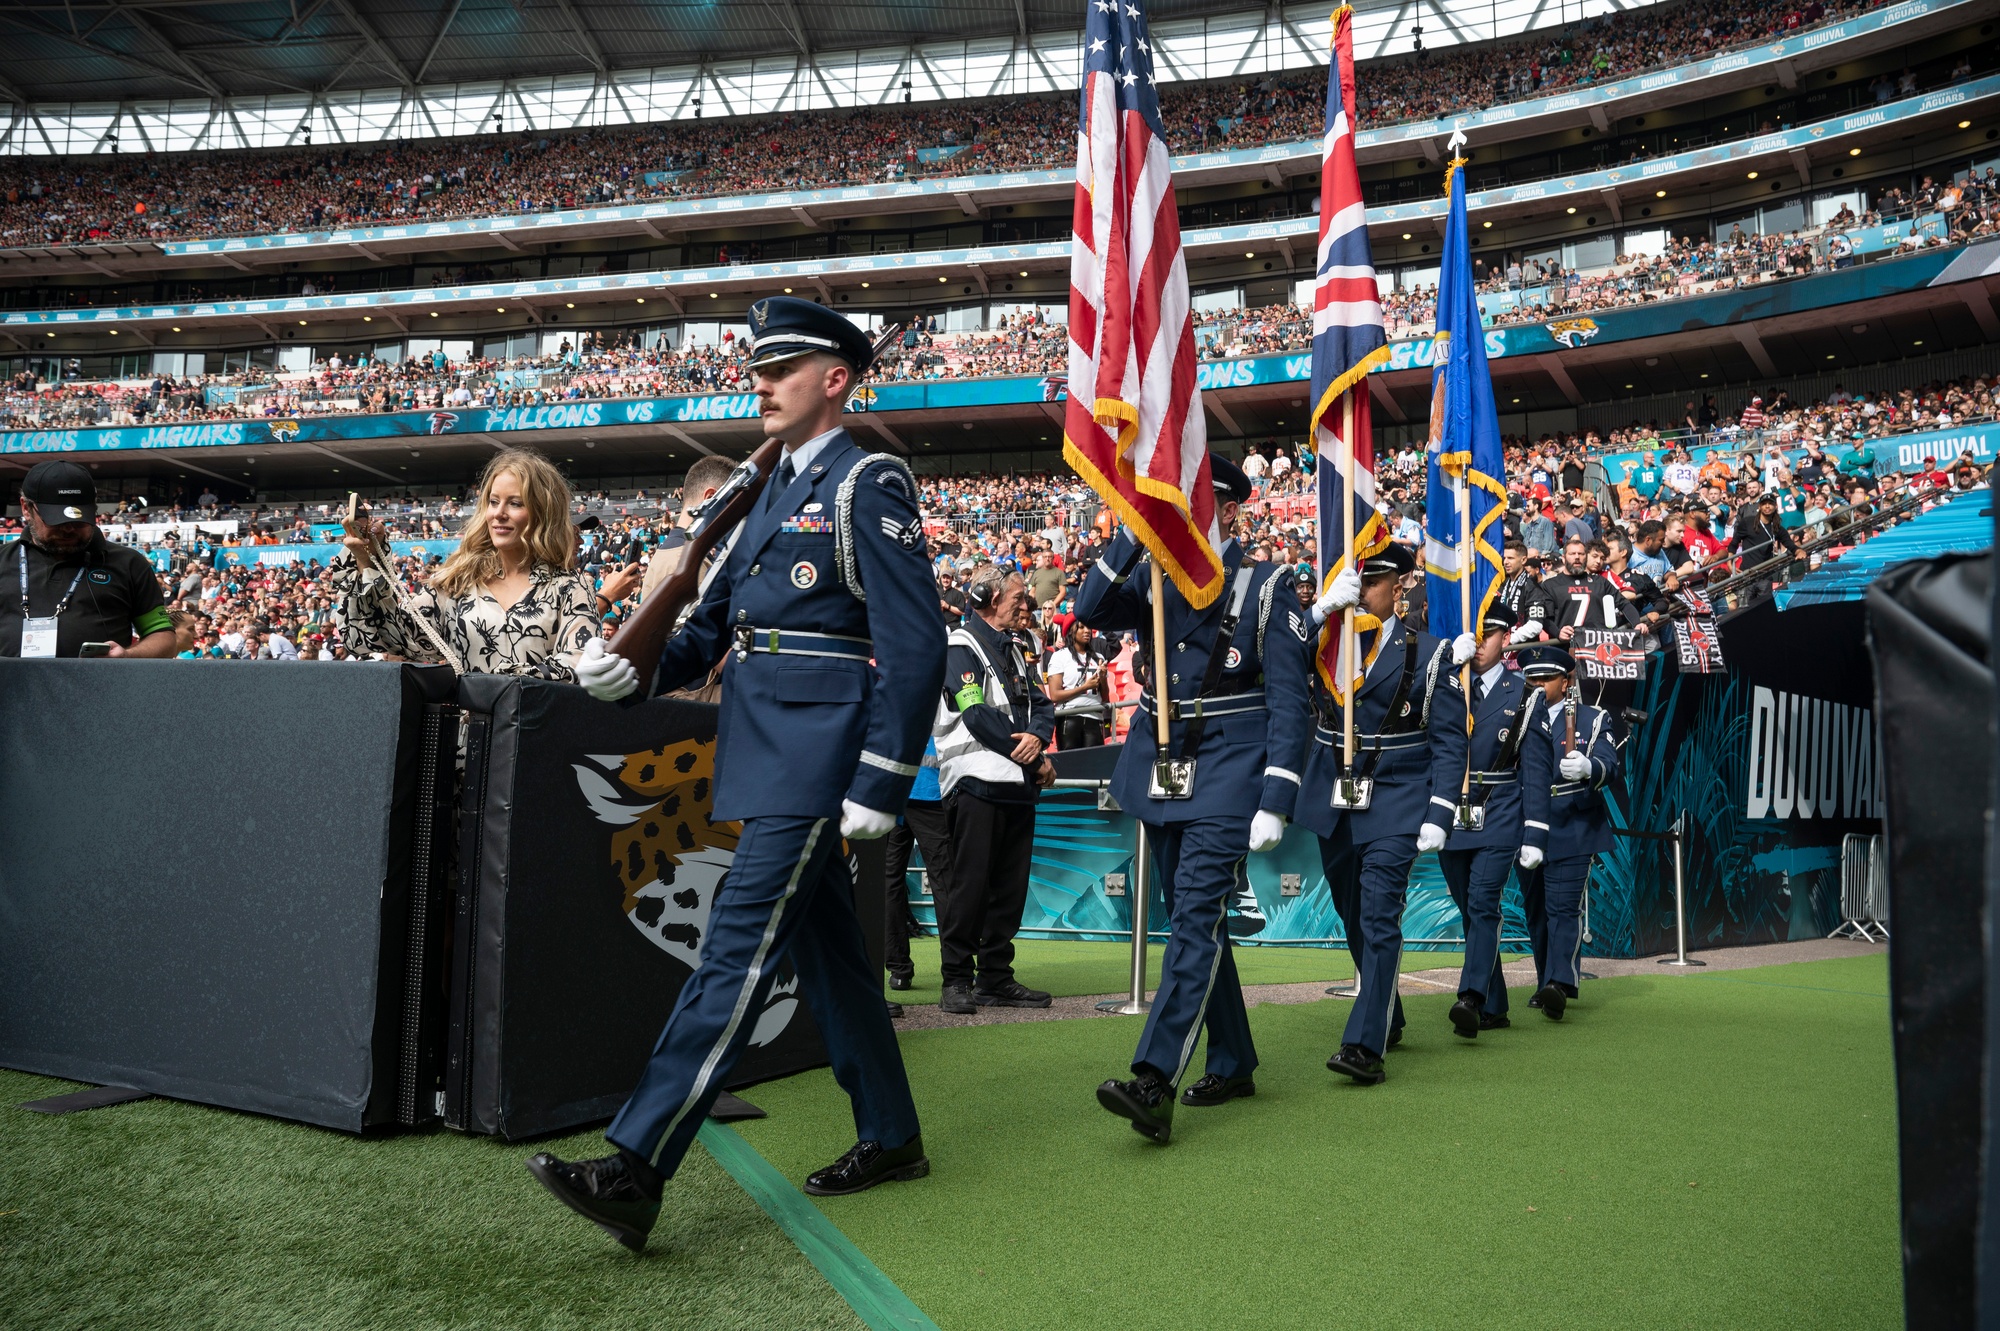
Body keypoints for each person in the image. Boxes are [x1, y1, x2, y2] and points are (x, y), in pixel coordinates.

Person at [536, 296, 945, 1251]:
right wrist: (633, 671)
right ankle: (891, 1133)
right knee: (834, 964)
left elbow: (915, 646)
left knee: (735, 955)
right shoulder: (766, 488)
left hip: (818, 758)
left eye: (784, 366)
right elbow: (716, 628)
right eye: (757, 365)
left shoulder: (865, 480)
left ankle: (636, 1165)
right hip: (761, 753)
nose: (759, 380)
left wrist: (883, 777)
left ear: (835, 379)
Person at [1077, 455, 1310, 1143]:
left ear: (1232, 511)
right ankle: (1233, 1058)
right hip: (1161, 763)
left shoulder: (1267, 586)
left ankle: (1153, 1078)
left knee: (1197, 913)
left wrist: (1278, 793)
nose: (1186, 518)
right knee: (1191, 918)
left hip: (1231, 769)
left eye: (1199, 506)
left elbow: (1291, 702)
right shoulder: (1154, 575)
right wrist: (1134, 529)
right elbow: (1089, 608)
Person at [1295, 542, 1469, 1086]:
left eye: (1371, 581)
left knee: (1377, 913)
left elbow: (1447, 739)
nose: (1362, 590)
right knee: (1353, 913)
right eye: (1355, 580)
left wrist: (1442, 810)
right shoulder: (1326, 641)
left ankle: (1363, 1043)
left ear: (1398, 588)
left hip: (1397, 796)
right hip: (1336, 798)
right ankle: (1387, 1008)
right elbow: (1273, 658)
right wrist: (1319, 610)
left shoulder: (1429, 652)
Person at [333, 448, 597, 677]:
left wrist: (494, 682)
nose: (499, 514)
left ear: (543, 513)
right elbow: (384, 638)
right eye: (493, 502)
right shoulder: (457, 583)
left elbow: (578, 662)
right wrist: (367, 562)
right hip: (467, 734)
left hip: (536, 731)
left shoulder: (570, 588)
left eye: (515, 503)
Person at [932, 564, 1057, 1014]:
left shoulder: (1019, 649)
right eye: (1017, 596)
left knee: (1009, 889)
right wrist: (1035, 756)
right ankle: (956, 979)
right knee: (970, 887)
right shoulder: (958, 646)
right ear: (985, 596)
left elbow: (1043, 705)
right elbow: (976, 715)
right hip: (976, 785)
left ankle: (996, 978)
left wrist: (1038, 740)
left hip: (1016, 787)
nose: (1026, 603)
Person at [1433, 601, 1545, 1038]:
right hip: (1452, 812)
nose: (1480, 644)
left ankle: (1471, 996)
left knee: (1482, 901)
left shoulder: (1525, 694)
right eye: (1475, 636)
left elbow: (1534, 769)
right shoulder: (1445, 686)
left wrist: (1535, 830)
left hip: (1500, 807)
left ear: (1506, 638)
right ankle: (1496, 1003)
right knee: (1469, 909)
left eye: (1490, 634)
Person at [1515, 644, 1621, 1018]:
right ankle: (1546, 979)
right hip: (1528, 820)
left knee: (1563, 907)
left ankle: (1560, 983)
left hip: (1572, 820)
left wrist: (1591, 767)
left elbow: (1612, 764)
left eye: (1546, 678)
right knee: (1537, 909)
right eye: (1532, 678)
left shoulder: (1592, 718)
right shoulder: (1518, 718)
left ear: (1567, 680)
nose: (1539, 685)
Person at [1, 461, 176, 659]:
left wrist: (128, 656)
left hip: (99, 688)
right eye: (56, 520)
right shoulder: (2, 561)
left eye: (78, 519)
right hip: (13, 689)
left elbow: (164, 638)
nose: (69, 529)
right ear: (26, 508)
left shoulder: (129, 564)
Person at [882, 738, 952, 1000]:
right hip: (929, 792)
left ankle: (899, 969)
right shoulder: (938, 695)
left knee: (889, 884)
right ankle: (955, 971)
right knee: (944, 883)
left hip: (892, 792)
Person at [1046, 620, 1112, 749]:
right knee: (1072, 764)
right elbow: (1054, 695)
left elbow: (1105, 698)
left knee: (1094, 764)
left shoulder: (1098, 657)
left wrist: (1103, 678)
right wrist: (1084, 687)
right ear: (1070, 631)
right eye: (1081, 627)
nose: (1087, 631)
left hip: (1094, 716)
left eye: (1088, 627)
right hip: (1069, 717)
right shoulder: (1059, 656)